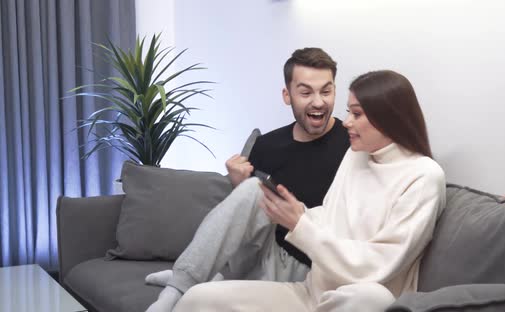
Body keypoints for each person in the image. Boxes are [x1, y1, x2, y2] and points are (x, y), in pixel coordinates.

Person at [171, 70, 447, 312]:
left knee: (372, 298)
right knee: (198, 299)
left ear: (388, 118)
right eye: (349, 111)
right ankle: (181, 285)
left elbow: (377, 266)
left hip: (355, 300)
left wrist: (300, 225)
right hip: (309, 295)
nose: (346, 121)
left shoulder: (424, 176)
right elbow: (330, 218)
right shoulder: (357, 156)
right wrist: (296, 213)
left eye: (357, 114)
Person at [145, 47, 350, 312]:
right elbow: (248, 221)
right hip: (263, 253)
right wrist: (238, 186)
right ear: (287, 96)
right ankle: (181, 284)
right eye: (306, 92)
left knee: (258, 194)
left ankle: (197, 278)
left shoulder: (351, 143)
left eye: (326, 90)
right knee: (253, 189)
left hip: (310, 263)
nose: (319, 102)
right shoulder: (267, 144)